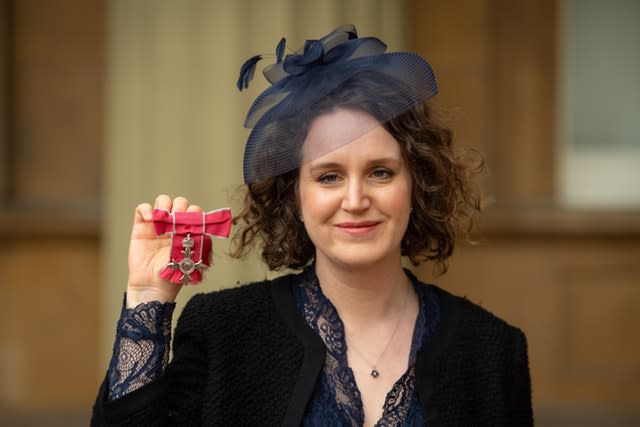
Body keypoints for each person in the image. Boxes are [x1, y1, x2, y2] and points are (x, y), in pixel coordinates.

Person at [91, 25, 533, 426]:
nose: (356, 200)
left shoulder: (492, 349)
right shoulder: (222, 329)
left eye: (381, 172)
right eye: (328, 176)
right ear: (295, 197)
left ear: (417, 185)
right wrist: (148, 299)